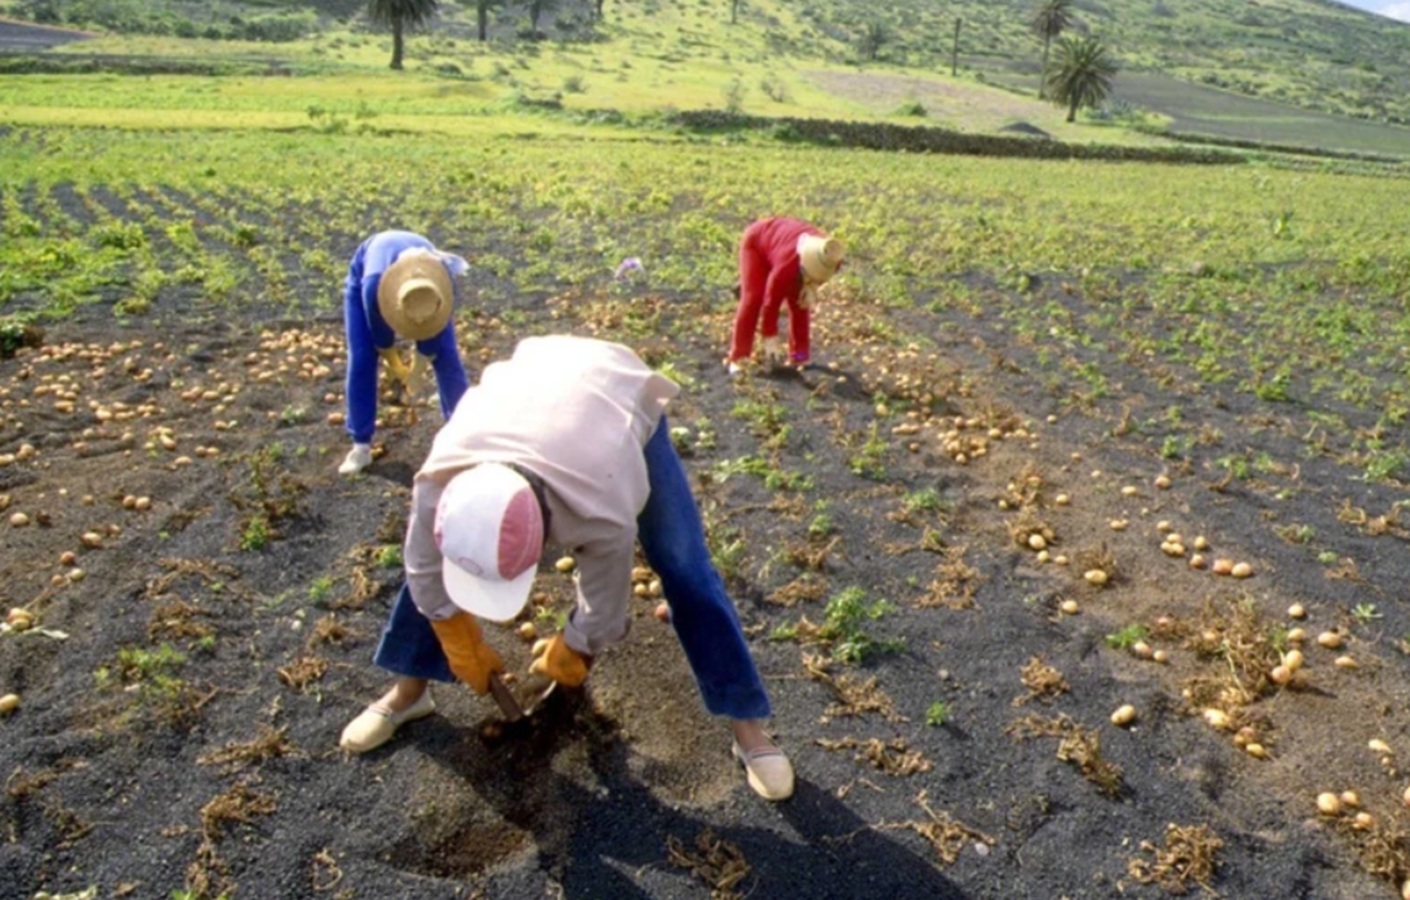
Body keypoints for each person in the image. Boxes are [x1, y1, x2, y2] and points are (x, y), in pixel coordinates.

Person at [339, 335, 794, 801]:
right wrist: (457, 637)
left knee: (685, 565)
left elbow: (605, 607)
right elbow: (424, 567)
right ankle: (410, 692)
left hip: (615, 392)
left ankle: (749, 729)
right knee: (443, 565)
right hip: (533, 377)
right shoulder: (443, 480)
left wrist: (576, 648)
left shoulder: (603, 506)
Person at [339, 230, 471, 476]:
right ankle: (361, 445)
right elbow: (380, 338)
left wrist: (418, 369)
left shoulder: (442, 283)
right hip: (364, 280)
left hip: (428, 284)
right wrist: (396, 364)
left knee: (447, 355)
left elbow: (434, 334)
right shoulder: (372, 287)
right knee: (362, 356)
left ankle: (465, 437)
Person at [726, 217, 844, 376]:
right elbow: (770, 303)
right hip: (757, 243)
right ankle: (738, 358)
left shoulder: (831, 255)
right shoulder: (786, 267)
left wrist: (812, 286)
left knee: (800, 302)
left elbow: (823, 274)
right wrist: (770, 337)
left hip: (780, 247)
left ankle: (800, 357)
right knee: (753, 298)